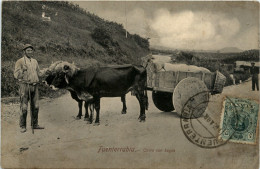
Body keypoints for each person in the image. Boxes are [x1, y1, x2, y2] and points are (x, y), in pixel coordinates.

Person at [14, 44, 48, 133]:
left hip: (35, 85)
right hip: (25, 86)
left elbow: (39, 73)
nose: (29, 52)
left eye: (31, 50)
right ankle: (22, 126)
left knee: (36, 106)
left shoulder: (35, 61)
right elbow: (16, 75)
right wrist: (23, 70)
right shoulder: (20, 61)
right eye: (28, 50)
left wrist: (46, 71)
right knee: (24, 107)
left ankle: (35, 124)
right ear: (24, 51)